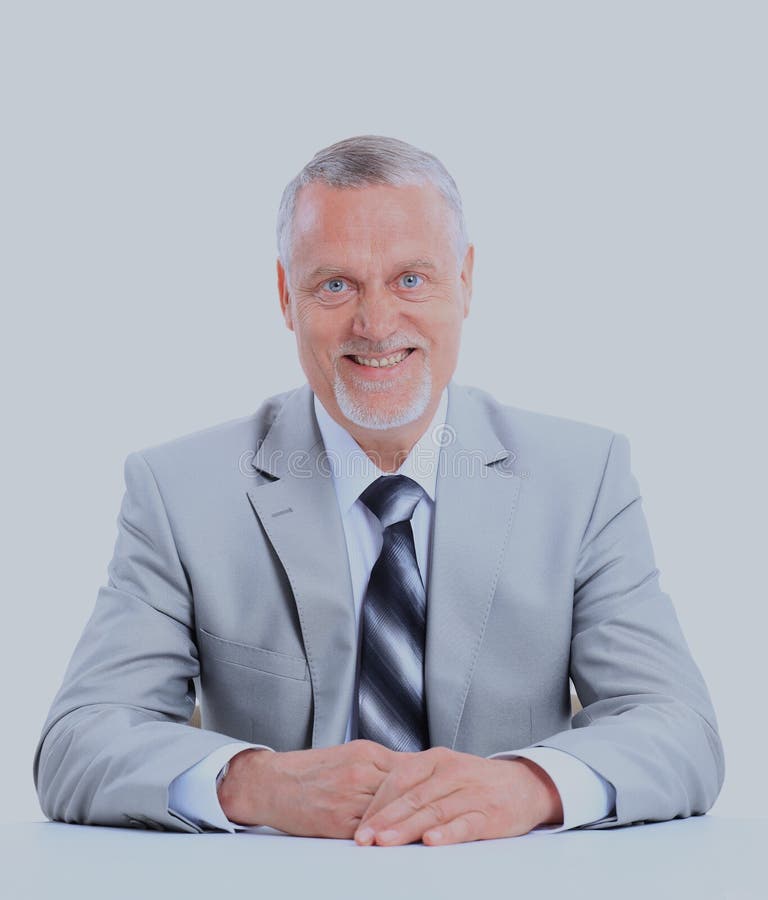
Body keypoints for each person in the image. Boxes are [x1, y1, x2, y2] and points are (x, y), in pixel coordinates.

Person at [33, 135, 724, 846]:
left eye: (411, 279)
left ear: (465, 281)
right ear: (285, 296)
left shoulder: (583, 478)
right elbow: (77, 744)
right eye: (335, 284)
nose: (375, 323)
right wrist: (255, 782)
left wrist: (530, 787)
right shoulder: (179, 493)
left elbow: (680, 729)